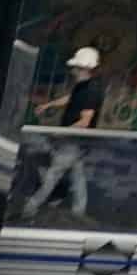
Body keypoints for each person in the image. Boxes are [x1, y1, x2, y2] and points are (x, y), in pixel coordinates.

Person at [20, 45, 103, 219]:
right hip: (74, 142)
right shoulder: (83, 86)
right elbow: (70, 99)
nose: (72, 69)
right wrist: (48, 105)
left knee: (53, 174)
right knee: (77, 177)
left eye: (75, 67)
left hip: (73, 141)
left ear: (83, 68)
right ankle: (78, 211)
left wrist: (62, 133)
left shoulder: (90, 91)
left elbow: (85, 121)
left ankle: (30, 208)